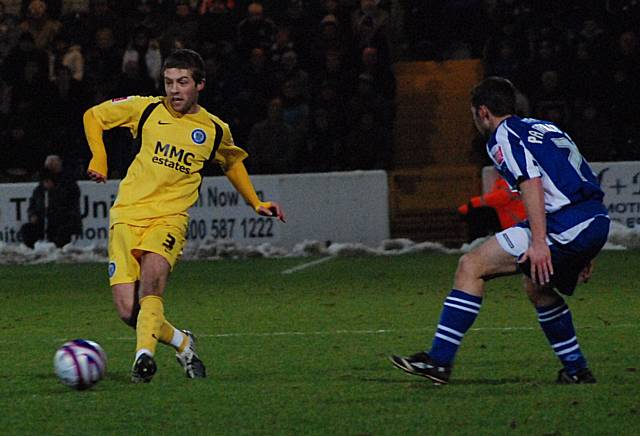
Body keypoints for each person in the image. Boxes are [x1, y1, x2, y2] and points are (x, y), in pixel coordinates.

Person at [83, 48, 285, 383]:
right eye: (168, 82)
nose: (174, 90)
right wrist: (99, 157)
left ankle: (143, 358)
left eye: (182, 82)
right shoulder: (146, 109)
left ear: (200, 85)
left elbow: (232, 162)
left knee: (152, 285)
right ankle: (182, 342)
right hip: (127, 215)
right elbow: (93, 116)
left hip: (169, 219)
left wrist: (255, 203)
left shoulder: (214, 129)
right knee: (127, 310)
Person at [391, 77, 610, 385]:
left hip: (566, 222)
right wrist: (587, 247)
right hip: (593, 219)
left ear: (483, 112)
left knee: (471, 265)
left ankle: (439, 361)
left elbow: (530, 182)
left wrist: (538, 243)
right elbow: (577, 175)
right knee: (538, 286)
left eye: (473, 114)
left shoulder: (502, 136)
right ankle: (576, 370)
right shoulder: (544, 127)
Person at [20, 155, 82, 248]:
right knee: (27, 229)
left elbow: (70, 205)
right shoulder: (40, 189)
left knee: (63, 231)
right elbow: (32, 205)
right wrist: (33, 215)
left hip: (63, 221)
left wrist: (53, 191)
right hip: (42, 221)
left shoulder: (69, 184)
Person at [457, 176, 526, 242]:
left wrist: (473, 203)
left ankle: (474, 243)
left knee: (480, 213)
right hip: (507, 219)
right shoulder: (503, 179)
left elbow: (502, 197)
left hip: (515, 222)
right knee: (479, 213)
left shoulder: (511, 179)